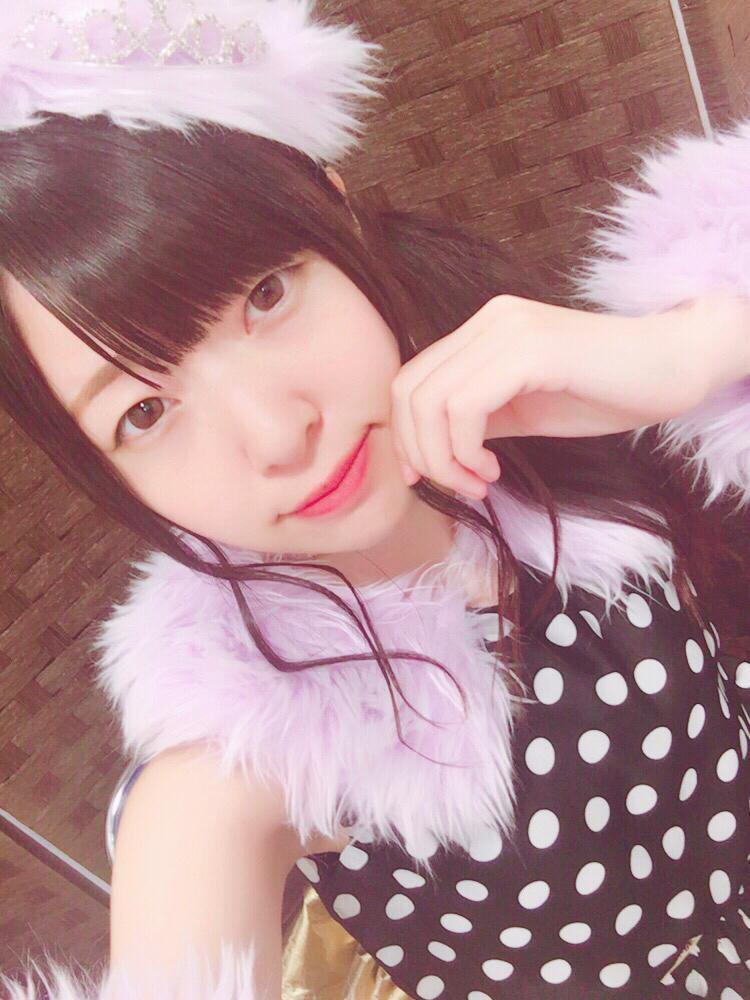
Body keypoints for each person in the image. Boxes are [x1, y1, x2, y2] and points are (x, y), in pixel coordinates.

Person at [0, 1, 748, 997]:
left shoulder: (536, 394)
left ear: (341, 216)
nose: (277, 435)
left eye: (266, 295)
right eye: (142, 413)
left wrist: (694, 349)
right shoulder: (243, 757)